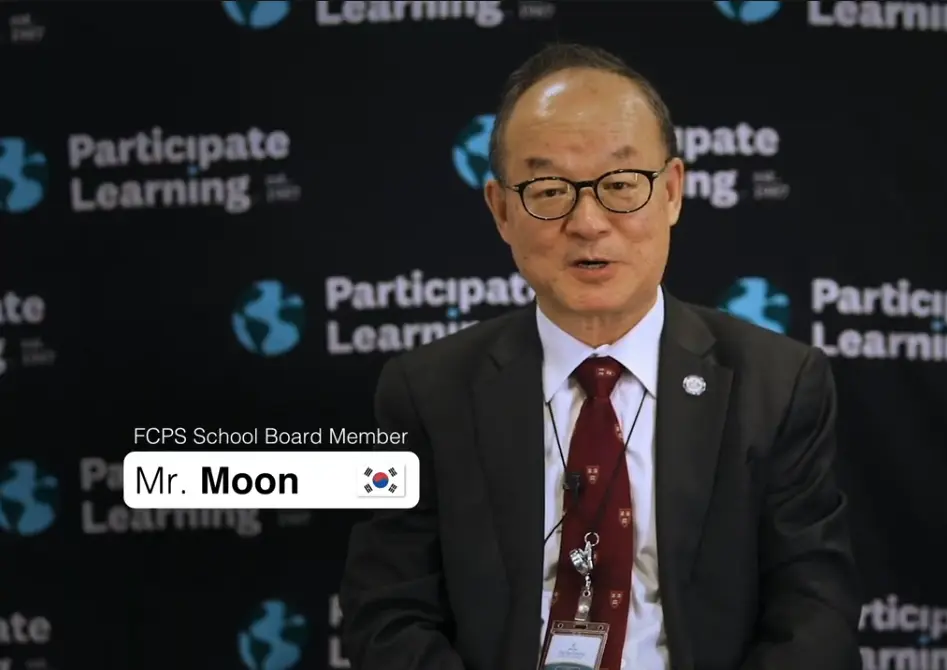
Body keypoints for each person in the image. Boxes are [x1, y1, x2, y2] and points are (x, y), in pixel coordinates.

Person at [340, 42, 862, 670]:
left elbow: (814, 618)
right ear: (501, 210)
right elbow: (388, 618)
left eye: (619, 184)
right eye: (549, 189)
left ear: (672, 192)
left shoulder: (776, 386)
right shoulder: (428, 392)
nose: (588, 223)